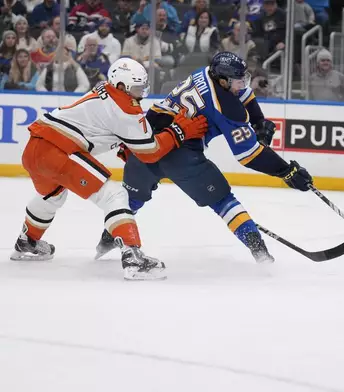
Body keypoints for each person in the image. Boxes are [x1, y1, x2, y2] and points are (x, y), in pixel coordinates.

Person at [94, 52, 313, 264]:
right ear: (224, 81)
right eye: (238, 80)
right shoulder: (226, 106)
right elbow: (250, 155)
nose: (243, 84)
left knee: (132, 200)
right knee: (223, 201)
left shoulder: (207, 72)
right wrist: (287, 171)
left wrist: (257, 120)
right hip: (181, 154)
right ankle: (261, 252)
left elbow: (243, 94)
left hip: (146, 143)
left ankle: (104, 245)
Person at [10, 58, 208, 281]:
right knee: (114, 195)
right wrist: (179, 131)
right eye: (137, 88)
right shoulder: (126, 108)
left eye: (143, 87)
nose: (141, 93)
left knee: (51, 196)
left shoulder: (105, 88)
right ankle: (133, 256)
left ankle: (28, 241)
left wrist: (124, 142)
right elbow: (150, 150)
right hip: (58, 150)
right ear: (122, 86)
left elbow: (105, 125)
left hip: (35, 147)